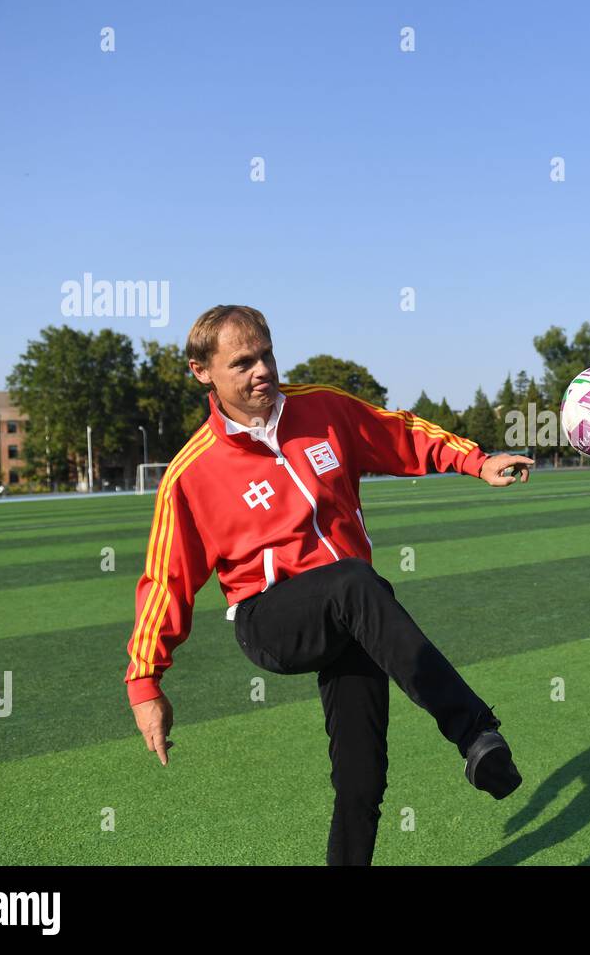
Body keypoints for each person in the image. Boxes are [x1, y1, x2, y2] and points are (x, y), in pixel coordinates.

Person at [124, 304, 535, 864]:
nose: (261, 370)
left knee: (362, 779)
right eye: (242, 362)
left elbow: (400, 434)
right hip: (270, 619)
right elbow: (165, 580)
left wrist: (476, 461)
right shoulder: (190, 472)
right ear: (202, 371)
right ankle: (474, 731)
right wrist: (146, 681)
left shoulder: (323, 408)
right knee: (356, 582)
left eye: (266, 353)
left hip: (356, 612)